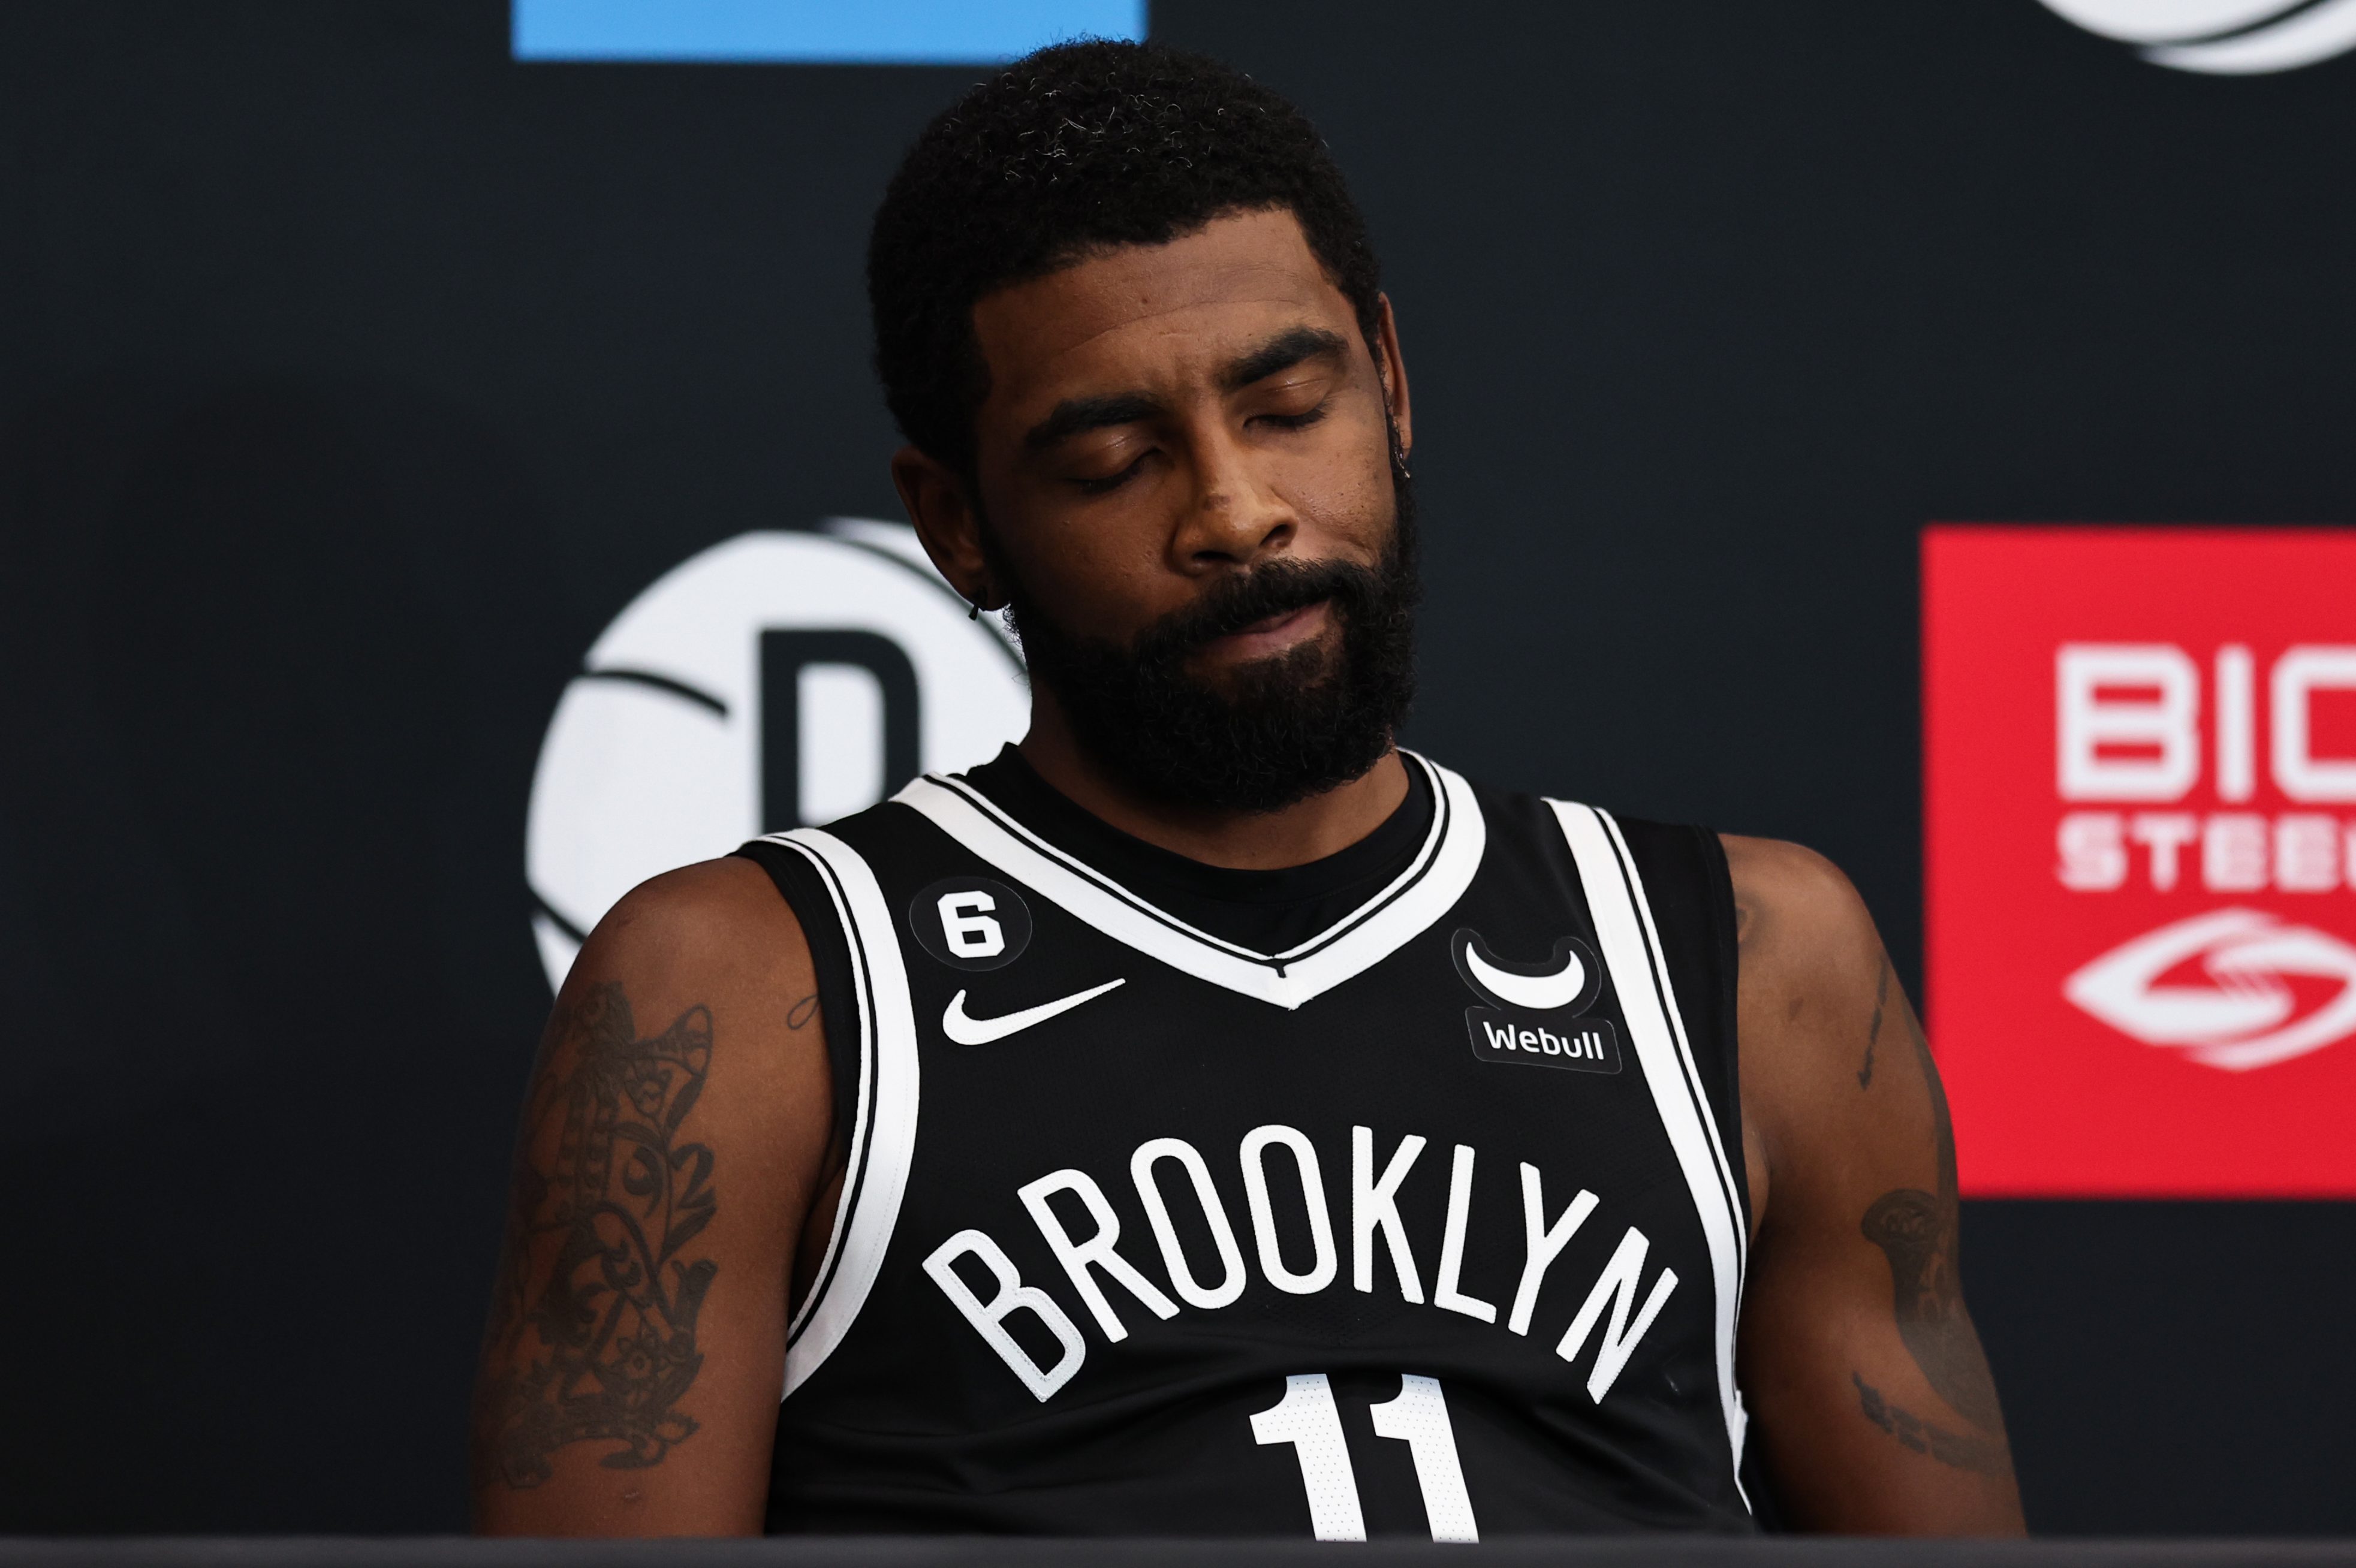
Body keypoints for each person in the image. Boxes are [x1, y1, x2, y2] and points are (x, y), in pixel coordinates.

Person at [470, 39, 2025, 1539]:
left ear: (1393, 383)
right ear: (955, 522)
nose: (1236, 512)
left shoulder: (1753, 961)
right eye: (1110, 463)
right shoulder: (744, 992)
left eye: (1289, 410)